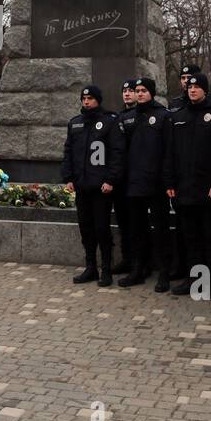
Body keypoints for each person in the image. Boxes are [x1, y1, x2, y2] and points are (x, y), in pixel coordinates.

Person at [163, 73, 211, 294]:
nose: (192, 90)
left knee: (210, 235)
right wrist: (170, 181)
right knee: (190, 236)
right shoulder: (179, 116)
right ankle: (195, 278)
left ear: (205, 90)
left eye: (196, 87)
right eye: (189, 87)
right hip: (184, 187)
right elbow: (170, 152)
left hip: (207, 188)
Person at [62, 84, 125, 287]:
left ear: (98, 100)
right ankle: (90, 267)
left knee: (101, 228)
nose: (86, 101)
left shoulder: (109, 122)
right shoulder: (75, 123)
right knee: (86, 228)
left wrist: (110, 180)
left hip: (101, 187)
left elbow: (117, 154)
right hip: (82, 186)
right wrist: (69, 178)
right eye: (84, 98)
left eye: (90, 98)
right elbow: (68, 153)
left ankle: (106, 269)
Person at [119, 77, 170, 290]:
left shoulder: (163, 116)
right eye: (137, 90)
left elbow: (169, 151)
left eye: (143, 90)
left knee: (160, 230)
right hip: (135, 183)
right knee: (137, 229)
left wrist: (167, 180)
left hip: (156, 184)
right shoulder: (128, 118)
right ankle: (138, 269)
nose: (139, 94)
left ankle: (164, 273)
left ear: (151, 93)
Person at [111, 79, 139, 275]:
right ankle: (127, 259)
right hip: (120, 179)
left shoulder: (143, 116)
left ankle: (139, 263)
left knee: (136, 223)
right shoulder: (117, 116)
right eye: (124, 91)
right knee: (123, 222)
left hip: (137, 178)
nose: (127, 94)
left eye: (131, 91)